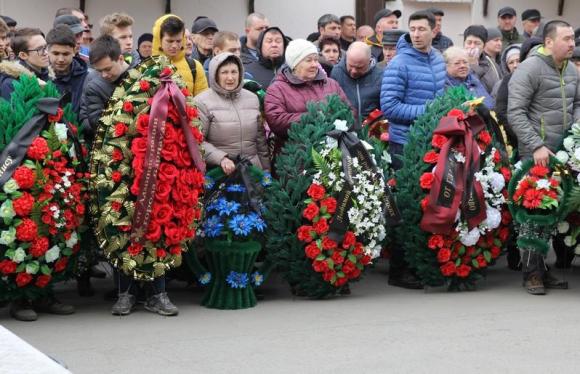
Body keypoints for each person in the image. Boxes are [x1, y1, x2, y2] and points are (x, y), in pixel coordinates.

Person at [508, 20, 580, 295]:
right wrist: (536, 145)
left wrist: (576, 133)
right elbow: (515, 112)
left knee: (552, 214)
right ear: (548, 42)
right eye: (566, 38)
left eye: (573, 38)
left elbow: (577, 104)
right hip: (535, 155)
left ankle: (541, 268)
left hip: (563, 154)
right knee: (533, 213)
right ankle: (531, 273)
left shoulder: (571, 70)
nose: (572, 44)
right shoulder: (530, 68)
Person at [380, 10, 445, 289]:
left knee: (428, 205)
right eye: (413, 29)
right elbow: (390, 107)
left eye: (422, 29)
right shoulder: (400, 64)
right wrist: (430, 112)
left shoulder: (439, 61)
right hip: (404, 144)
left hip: (433, 144)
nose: (416, 34)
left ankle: (423, 263)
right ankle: (399, 269)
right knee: (404, 205)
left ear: (434, 31)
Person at [265, 39, 349, 160]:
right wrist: (313, 117)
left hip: (331, 155)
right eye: (308, 60)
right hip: (296, 159)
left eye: (316, 59)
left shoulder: (331, 84)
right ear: (295, 64)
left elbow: (348, 111)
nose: (315, 64)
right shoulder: (277, 89)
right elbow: (276, 121)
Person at [194, 52, 270, 174]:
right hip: (220, 173)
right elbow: (197, 141)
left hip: (252, 171)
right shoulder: (202, 101)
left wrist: (266, 173)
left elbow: (260, 142)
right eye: (224, 72)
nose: (230, 77)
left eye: (234, 72)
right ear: (215, 75)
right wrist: (221, 158)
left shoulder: (252, 98)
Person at [331, 42, 382, 120]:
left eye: (359, 67)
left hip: (372, 126)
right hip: (345, 125)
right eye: (350, 66)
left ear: (369, 61)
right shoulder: (336, 72)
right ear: (346, 58)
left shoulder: (380, 76)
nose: (354, 71)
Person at [0, 28, 51, 101]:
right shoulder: (11, 84)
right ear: (23, 55)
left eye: (45, 47)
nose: (46, 53)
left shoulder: (49, 75)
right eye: (39, 49)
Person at [46, 25, 88, 113]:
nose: (61, 59)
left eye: (65, 54)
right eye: (56, 53)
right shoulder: (39, 77)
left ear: (74, 51)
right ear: (47, 51)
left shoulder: (86, 78)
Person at [464, 25, 501, 95]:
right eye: (469, 42)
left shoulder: (492, 64)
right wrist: (472, 66)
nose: (472, 47)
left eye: (477, 43)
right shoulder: (457, 63)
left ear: (483, 46)